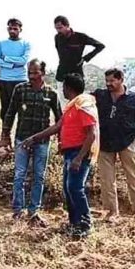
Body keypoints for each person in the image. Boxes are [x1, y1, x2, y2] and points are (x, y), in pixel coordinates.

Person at [23, 73, 98, 237]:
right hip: (70, 152)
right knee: (68, 187)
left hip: (79, 152)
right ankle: (74, 223)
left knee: (75, 188)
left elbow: (91, 134)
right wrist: (35, 138)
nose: (62, 90)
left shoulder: (83, 106)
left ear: (68, 88)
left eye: (63, 87)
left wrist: (79, 158)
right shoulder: (72, 107)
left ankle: (85, 224)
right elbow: (57, 126)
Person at [0, 59, 62, 224]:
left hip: (42, 141)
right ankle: (17, 211)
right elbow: (10, 113)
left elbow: (60, 119)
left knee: (39, 176)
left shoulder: (51, 93)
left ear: (43, 73)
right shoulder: (20, 90)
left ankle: (34, 211)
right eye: (29, 72)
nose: (32, 76)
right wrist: (5, 135)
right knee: (19, 175)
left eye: (35, 72)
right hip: (22, 138)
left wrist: (62, 141)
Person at [93, 68, 135, 220]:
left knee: (134, 176)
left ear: (121, 80)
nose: (109, 84)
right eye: (107, 81)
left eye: (112, 81)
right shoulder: (100, 95)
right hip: (104, 143)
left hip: (126, 142)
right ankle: (111, 212)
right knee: (106, 179)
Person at [0, 18, 31, 124]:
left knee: (22, 107)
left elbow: (24, 60)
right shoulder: (0, 43)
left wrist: (5, 58)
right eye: (10, 28)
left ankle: (21, 134)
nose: (12, 31)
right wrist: (12, 65)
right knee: (5, 108)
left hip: (21, 79)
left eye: (15, 29)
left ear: (20, 30)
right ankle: (5, 134)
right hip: (4, 79)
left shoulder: (26, 44)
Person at [54, 15, 105, 92]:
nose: (58, 30)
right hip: (62, 73)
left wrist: (86, 58)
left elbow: (100, 46)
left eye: (60, 28)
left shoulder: (80, 37)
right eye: (56, 28)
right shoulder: (57, 38)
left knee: (77, 100)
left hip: (76, 74)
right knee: (62, 101)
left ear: (67, 26)